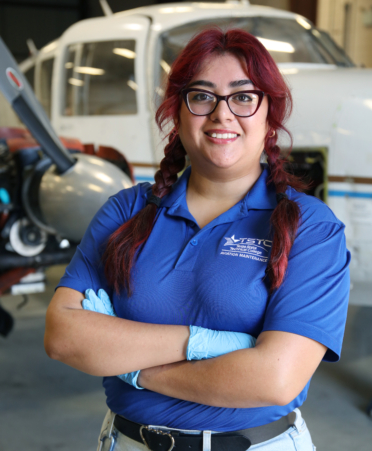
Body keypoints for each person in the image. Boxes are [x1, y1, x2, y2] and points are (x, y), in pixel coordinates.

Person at [44, 28, 350, 451]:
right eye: (202, 96)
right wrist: (203, 343)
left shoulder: (311, 228)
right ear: (179, 111)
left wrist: (136, 370)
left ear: (269, 114)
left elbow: (276, 378)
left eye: (244, 97)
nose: (222, 114)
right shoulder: (125, 212)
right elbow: (63, 336)